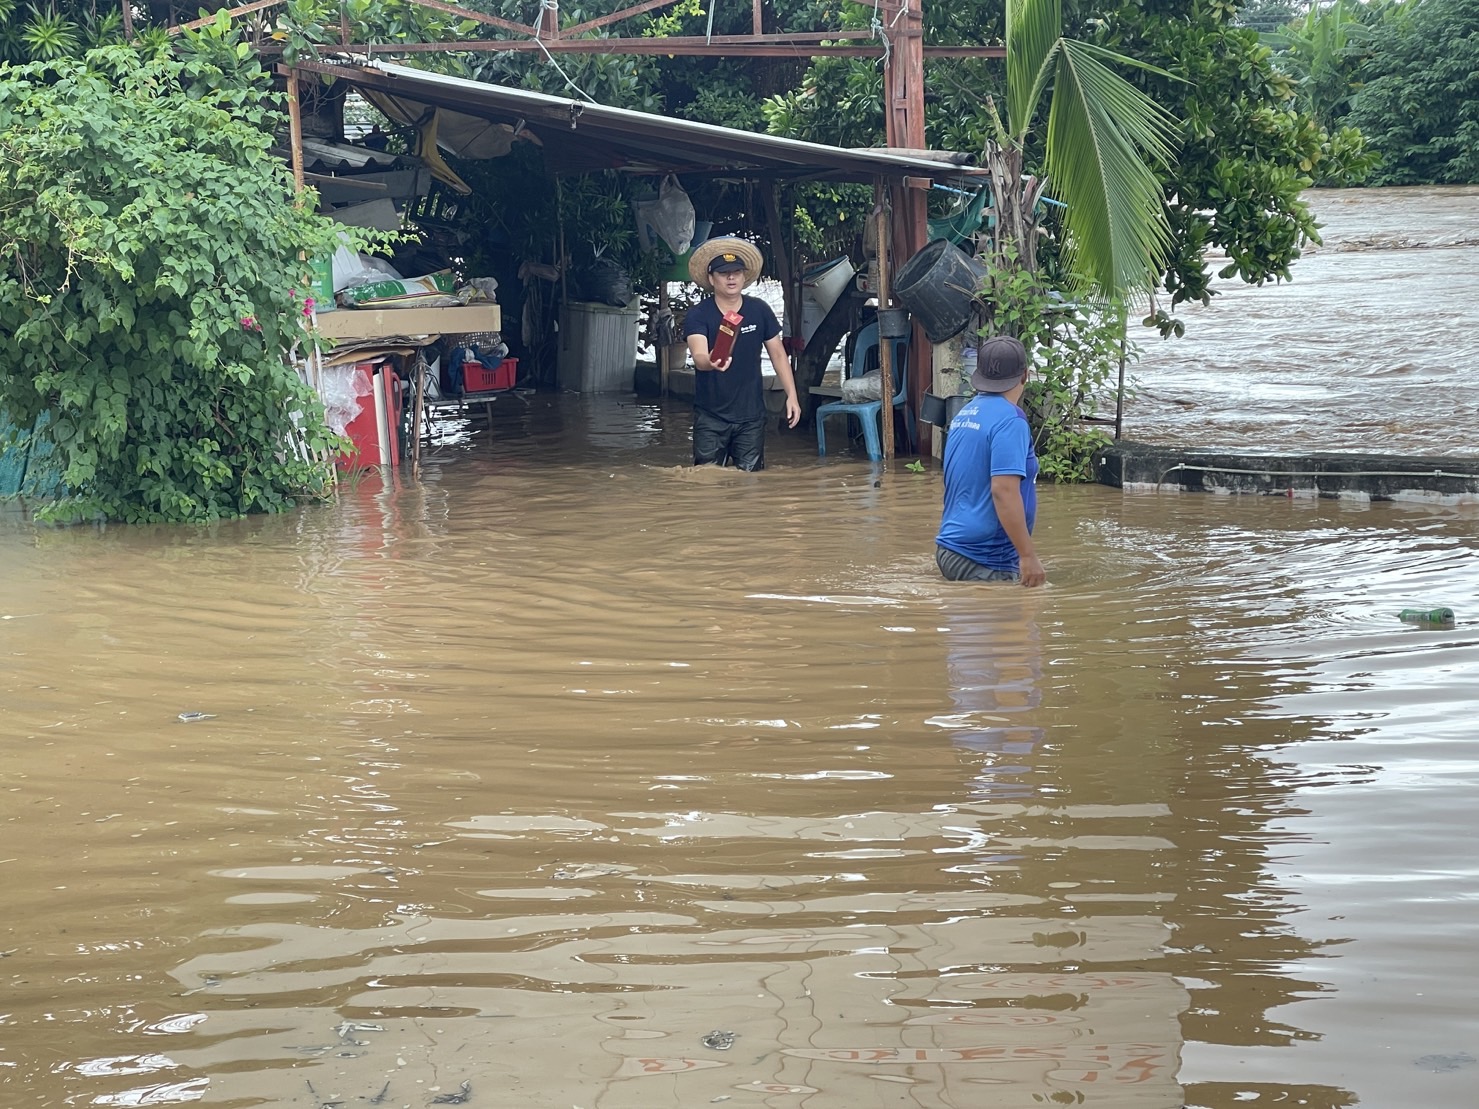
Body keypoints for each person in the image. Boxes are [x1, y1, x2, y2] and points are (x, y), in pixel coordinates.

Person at [935, 335, 1046, 587]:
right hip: (985, 557)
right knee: (1020, 623)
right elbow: (1003, 491)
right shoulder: (1010, 420)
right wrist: (1028, 556)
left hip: (951, 549)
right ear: (1025, 375)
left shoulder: (966, 413)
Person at [683, 237, 801, 470]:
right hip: (710, 416)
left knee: (750, 482)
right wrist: (713, 362)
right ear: (711, 278)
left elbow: (778, 355)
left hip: (751, 416)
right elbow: (698, 357)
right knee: (706, 480)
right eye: (723, 273)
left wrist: (792, 396)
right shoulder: (699, 314)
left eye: (736, 272)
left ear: (743, 277)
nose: (731, 277)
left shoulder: (759, 310)